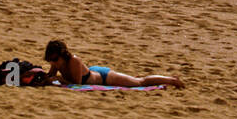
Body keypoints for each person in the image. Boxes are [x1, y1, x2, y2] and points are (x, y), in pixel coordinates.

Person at [43, 39, 184, 88]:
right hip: (92, 73)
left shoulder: (74, 60)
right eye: (51, 60)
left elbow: (77, 84)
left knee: (139, 82)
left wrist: (58, 79)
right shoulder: (56, 62)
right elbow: (51, 75)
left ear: (62, 54)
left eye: (55, 59)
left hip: (104, 77)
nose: (53, 62)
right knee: (136, 81)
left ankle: (172, 80)